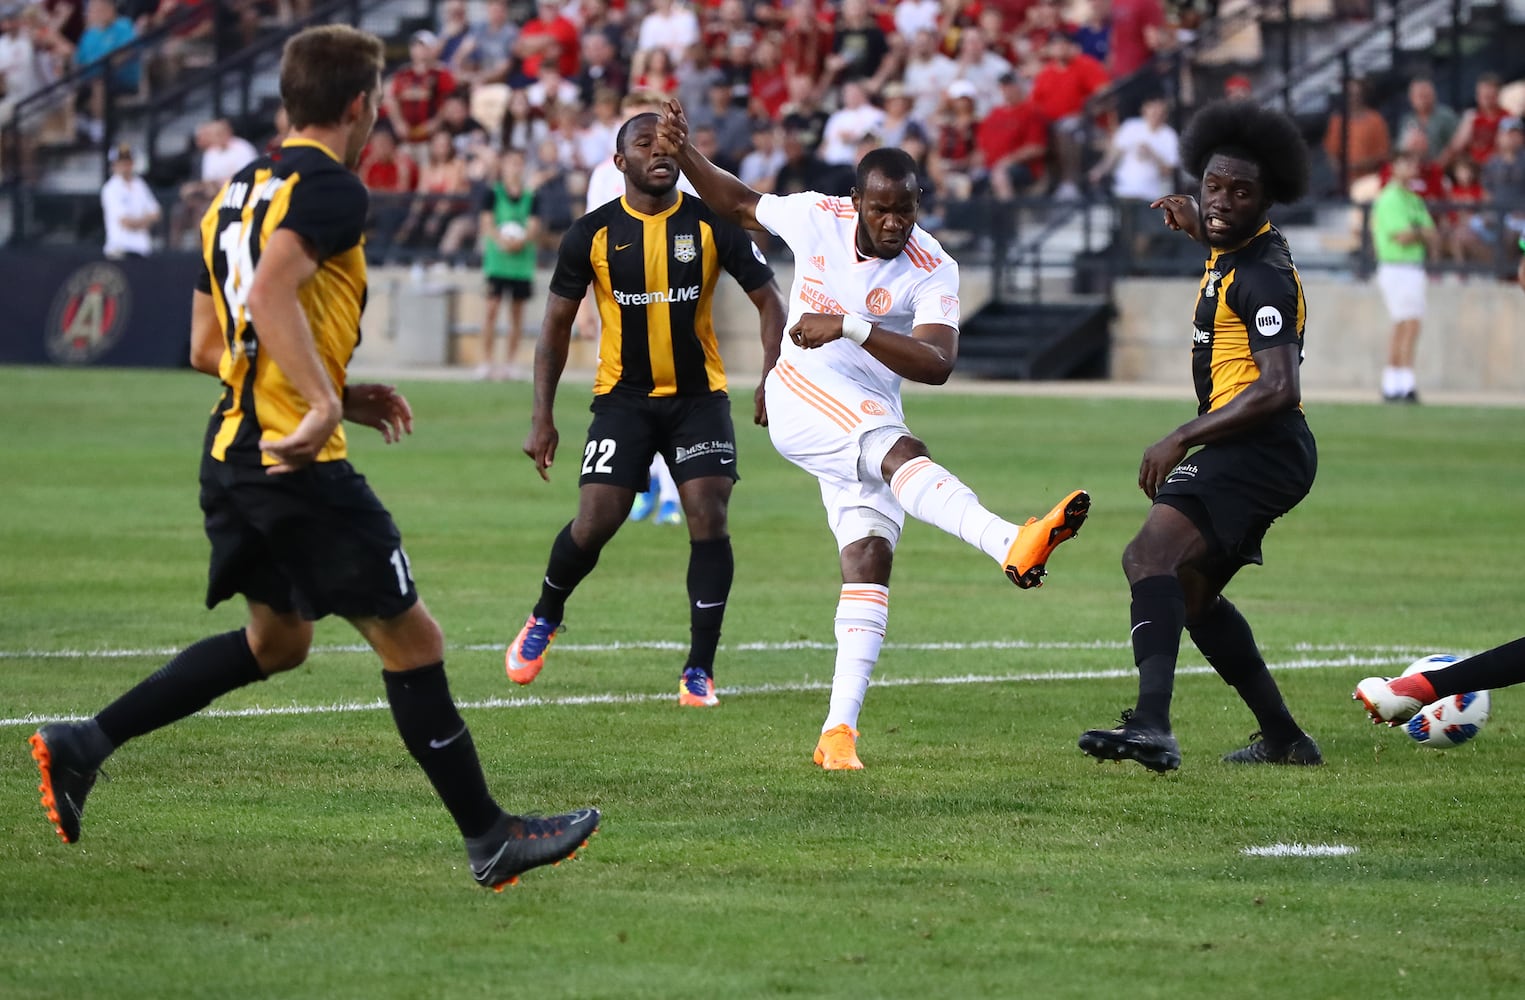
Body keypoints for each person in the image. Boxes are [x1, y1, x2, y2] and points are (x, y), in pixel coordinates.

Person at [26, 25, 597, 891]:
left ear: (288, 99)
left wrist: (335, 379)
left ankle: (83, 744)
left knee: (278, 642)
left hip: (232, 455)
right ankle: (490, 836)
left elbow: (205, 342)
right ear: (361, 106)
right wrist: (323, 399)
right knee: (414, 639)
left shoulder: (234, 191)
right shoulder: (331, 187)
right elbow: (270, 293)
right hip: (297, 464)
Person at [656, 97, 1090, 770]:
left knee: (867, 558)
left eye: (905, 211)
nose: (893, 224)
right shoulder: (815, 216)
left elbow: (939, 365)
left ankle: (837, 735)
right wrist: (684, 153)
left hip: (865, 414)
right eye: (880, 209)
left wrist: (853, 325)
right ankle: (1011, 541)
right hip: (799, 393)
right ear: (855, 200)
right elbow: (737, 202)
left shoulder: (931, 265)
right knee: (900, 453)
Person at [507, 111, 787, 709]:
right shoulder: (591, 234)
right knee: (596, 522)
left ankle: (699, 670)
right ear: (620, 163)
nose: (659, 152)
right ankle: (545, 614)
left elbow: (769, 301)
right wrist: (542, 416)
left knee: (707, 514)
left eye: (667, 144)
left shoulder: (712, 222)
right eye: (644, 144)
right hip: (622, 401)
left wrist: (772, 373)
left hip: (698, 400)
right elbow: (554, 331)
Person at [1077, 99, 1321, 773]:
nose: (1221, 200)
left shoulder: (1261, 275)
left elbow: (1278, 388)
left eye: (1240, 193)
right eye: (1213, 186)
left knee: (1146, 557)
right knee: (1190, 595)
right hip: (1254, 448)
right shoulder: (1236, 253)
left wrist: (1180, 436)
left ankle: (1152, 726)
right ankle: (1285, 740)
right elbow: (1227, 247)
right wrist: (1201, 230)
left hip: (1263, 447)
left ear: (1268, 199)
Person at [1369, 149, 1439, 403]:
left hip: (1412, 266)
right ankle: (1399, 381)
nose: (1412, 168)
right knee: (1406, 324)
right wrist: (1420, 232)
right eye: (1406, 163)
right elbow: (1402, 235)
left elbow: (1430, 231)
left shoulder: (1413, 199)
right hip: (1396, 265)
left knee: (1408, 324)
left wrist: (1418, 232)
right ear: (1395, 166)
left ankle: (1397, 381)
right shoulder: (1389, 198)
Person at [477, 147, 540, 380]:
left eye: (519, 163)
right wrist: (501, 239)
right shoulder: (493, 193)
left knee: (517, 314)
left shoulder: (531, 197)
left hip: (521, 264)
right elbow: (487, 224)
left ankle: (511, 363)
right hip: (497, 262)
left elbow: (534, 227)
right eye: (511, 162)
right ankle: (486, 362)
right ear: (503, 166)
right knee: (491, 311)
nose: (515, 167)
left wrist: (521, 240)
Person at [100, 141, 160, 257]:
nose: (126, 166)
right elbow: (125, 222)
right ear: (114, 165)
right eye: (122, 162)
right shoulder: (111, 188)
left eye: (128, 162)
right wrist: (145, 221)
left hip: (142, 248)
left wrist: (139, 222)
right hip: (119, 249)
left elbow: (156, 213)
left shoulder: (140, 184)